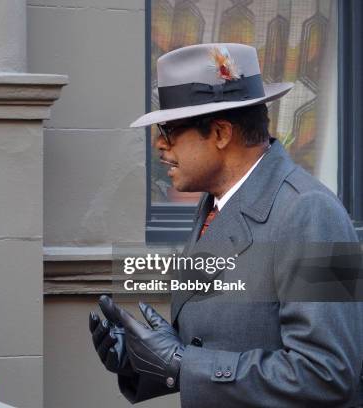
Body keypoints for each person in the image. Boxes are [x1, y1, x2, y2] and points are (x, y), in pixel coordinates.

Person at [89, 43, 363, 407]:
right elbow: (221, 340)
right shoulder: (215, 203)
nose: (158, 145)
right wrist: (146, 362)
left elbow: (327, 373)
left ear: (220, 133)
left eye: (169, 130)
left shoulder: (313, 213)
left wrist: (183, 363)